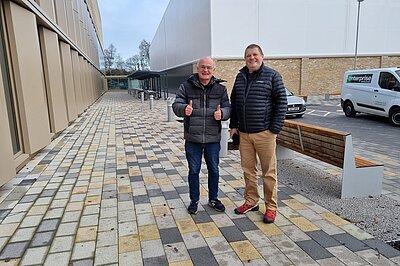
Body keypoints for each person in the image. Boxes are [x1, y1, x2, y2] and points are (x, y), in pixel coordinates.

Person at [229, 44, 287, 223]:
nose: (251, 58)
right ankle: (251, 201)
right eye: (248, 56)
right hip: (245, 134)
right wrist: (233, 126)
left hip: (265, 134)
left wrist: (274, 129)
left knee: (268, 172)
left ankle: (271, 207)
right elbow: (234, 103)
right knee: (248, 170)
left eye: (255, 55)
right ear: (245, 59)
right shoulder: (240, 77)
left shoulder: (272, 76)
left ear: (262, 56)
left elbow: (282, 103)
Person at [173, 56, 231, 214]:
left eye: (209, 67)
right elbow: (176, 104)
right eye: (203, 67)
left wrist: (223, 113)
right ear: (197, 68)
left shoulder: (220, 89)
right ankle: (194, 200)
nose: (206, 70)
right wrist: (183, 108)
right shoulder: (186, 86)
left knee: (214, 169)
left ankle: (213, 198)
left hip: (213, 139)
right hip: (193, 138)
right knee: (194, 170)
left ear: (213, 70)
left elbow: (228, 107)